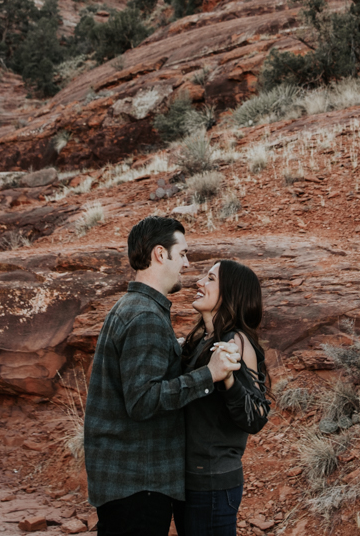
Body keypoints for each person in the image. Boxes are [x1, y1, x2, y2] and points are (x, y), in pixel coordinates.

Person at [84, 216, 242, 536]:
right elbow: (142, 400)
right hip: (138, 483)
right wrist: (208, 374)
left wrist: (172, 349)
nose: (186, 263)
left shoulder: (131, 307)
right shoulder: (145, 316)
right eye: (182, 253)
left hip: (124, 481)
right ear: (160, 254)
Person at [177, 260, 271, 536]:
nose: (199, 283)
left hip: (212, 485)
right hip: (189, 481)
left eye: (210, 279)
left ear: (230, 292)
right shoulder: (202, 341)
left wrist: (227, 379)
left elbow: (255, 417)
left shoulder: (236, 341)